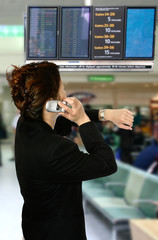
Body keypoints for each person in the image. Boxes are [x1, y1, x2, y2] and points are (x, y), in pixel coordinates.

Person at [6, 61, 133, 240]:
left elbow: (65, 120)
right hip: (60, 233)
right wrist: (83, 121)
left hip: (35, 227)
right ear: (51, 102)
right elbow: (106, 163)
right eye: (63, 89)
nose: (65, 94)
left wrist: (105, 115)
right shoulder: (56, 149)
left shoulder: (26, 126)